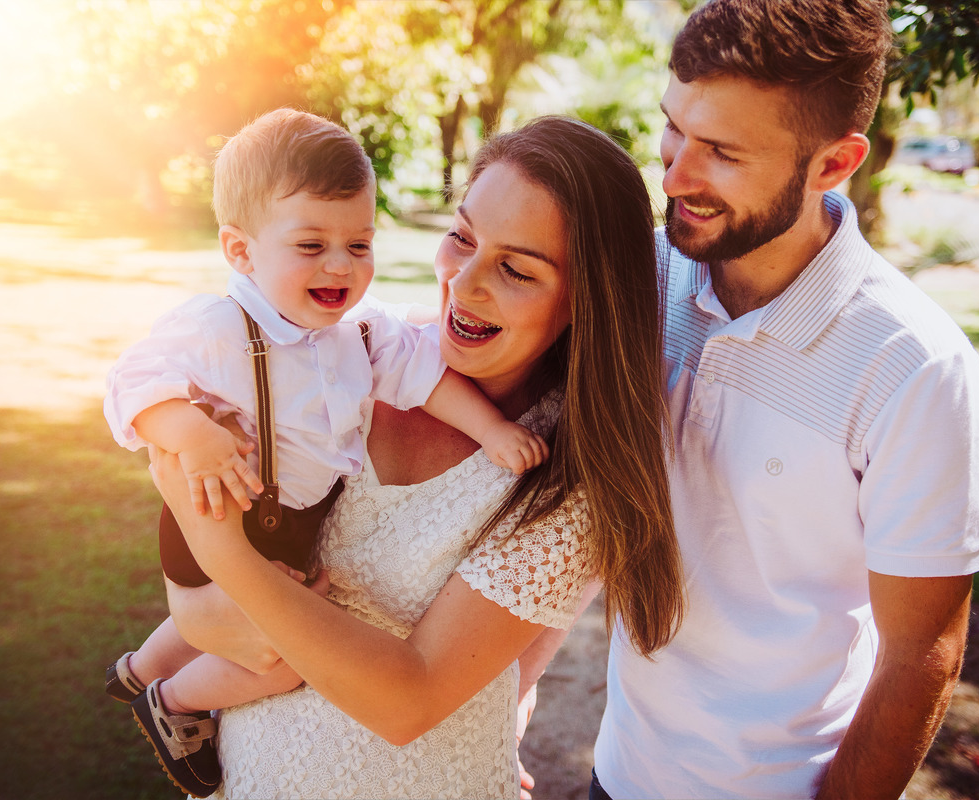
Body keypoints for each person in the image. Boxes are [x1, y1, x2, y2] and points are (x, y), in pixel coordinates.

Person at [148, 115, 686, 799]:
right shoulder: (355, 350)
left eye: (516, 269)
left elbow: (409, 702)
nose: (463, 284)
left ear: (587, 299)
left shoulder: (566, 477)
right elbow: (190, 472)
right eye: (461, 237)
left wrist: (222, 552)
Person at [591, 2, 979, 799]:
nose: (673, 175)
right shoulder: (652, 272)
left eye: (722, 153)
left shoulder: (914, 364)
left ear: (834, 164)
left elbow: (923, 653)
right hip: (617, 769)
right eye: (673, 128)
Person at [101, 108, 548, 797]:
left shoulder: (359, 334)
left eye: (359, 245)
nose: (341, 266)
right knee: (280, 656)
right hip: (222, 506)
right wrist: (192, 433)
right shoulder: (216, 327)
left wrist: (491, 431)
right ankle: (177, 702)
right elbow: (131, 383)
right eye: (311, 247)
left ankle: (138, 668)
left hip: (294, 519)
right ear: (240, 251)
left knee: (232, 613)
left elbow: (423, 376)